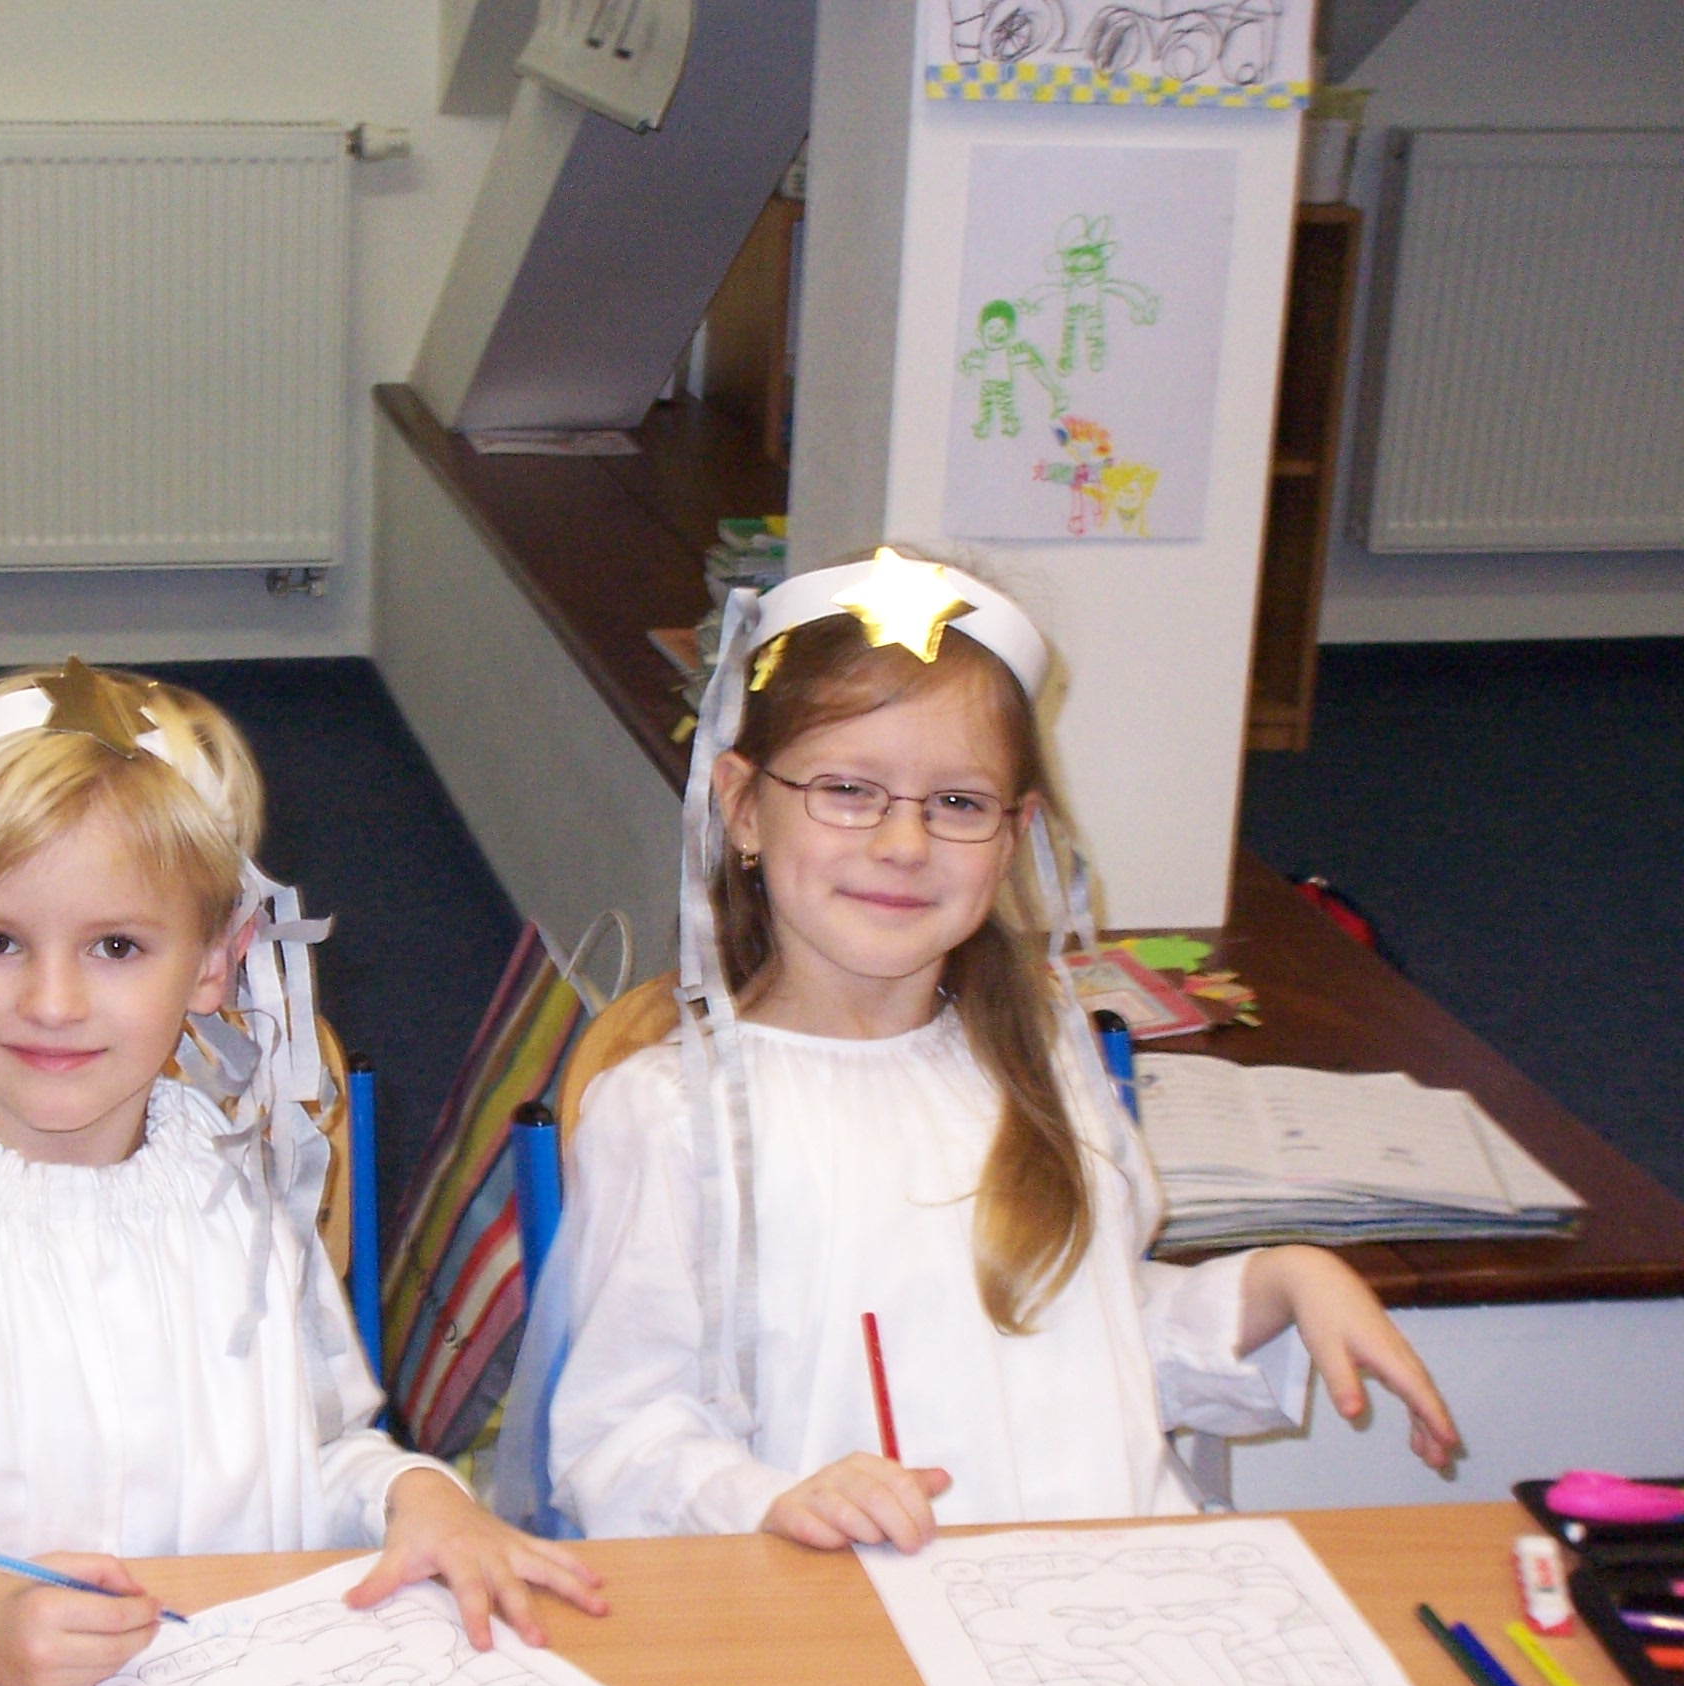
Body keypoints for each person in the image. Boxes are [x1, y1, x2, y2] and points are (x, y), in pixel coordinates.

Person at [0, 661, 603, 1686]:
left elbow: (313, 1448)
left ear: (215, 960)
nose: (53, 1002)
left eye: (118, 946)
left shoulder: (239, 1204)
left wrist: (409, 1492)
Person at [530, 552, 1459, 1551]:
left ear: (1015, 835)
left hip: (1102, 1583)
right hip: (854, 1603)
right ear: (744, 805)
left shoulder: (1041, 1059)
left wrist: (1278, 1281)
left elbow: (1086, 1338)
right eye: (848, 790)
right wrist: (768, 1502)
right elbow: (618, 1441)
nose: (903, 844)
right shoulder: (678, 1116)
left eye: (958, 804)